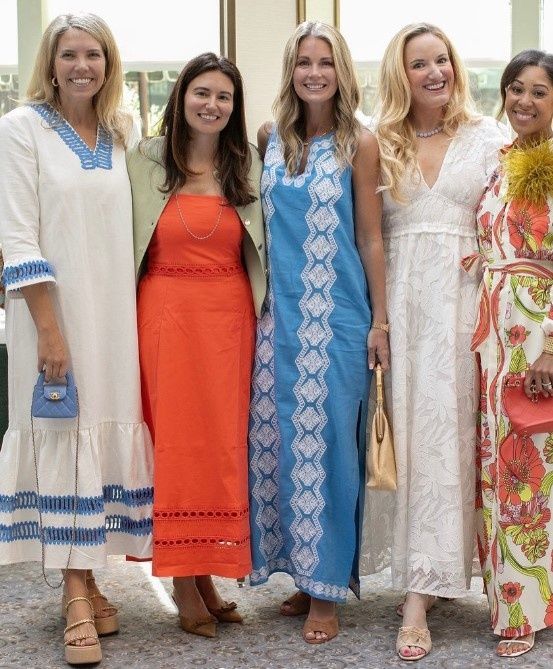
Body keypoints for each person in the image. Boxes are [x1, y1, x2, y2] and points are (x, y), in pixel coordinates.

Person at [0, 13, 153, 666]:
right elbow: (16, 235)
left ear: (109, 63)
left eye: (93, 54)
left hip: (114, 318)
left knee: (100, 433)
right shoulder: (20, 129)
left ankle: (90, 577)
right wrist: (48, 331)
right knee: (64, 436)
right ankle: (73, 596)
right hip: (52, 318)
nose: (81, 66)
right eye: (69, 55)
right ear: (50, 62)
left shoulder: (123, 133)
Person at [248, 21, 389, 645]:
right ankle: (303, 576)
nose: (314, 73)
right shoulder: (269, 138)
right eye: (303, 62)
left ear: (341, 71)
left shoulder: (360, 142)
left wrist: (380, 321)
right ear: (291, 70)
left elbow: (371, 237)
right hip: (278, 321)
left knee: (330, 449)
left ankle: (328, 590)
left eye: (325, 62)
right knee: (280, 446)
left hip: (338, 319)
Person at [373, 22, 508, 660]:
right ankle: (419, 583)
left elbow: (517, 219)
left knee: (457, 440)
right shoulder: (378, 140)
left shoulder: (490, 138)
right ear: (400, 75)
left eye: (442, 60)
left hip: (466, 307)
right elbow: (364, 234)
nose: (435, 73)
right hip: (401, 307)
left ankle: (434, 586)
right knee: (411, 439)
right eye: (420, 64)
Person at [127, 52, 266, 639]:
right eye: (201, 93)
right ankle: (183, 578)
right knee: (178, 444)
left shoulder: (247, 163)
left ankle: (206, 571)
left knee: (221, 446)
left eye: (223, 97)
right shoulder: (144, 161)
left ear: (235, 108)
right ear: (181, 96)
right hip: (166, 317)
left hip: (230, 321)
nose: (212, 105)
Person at [471, 49, 553, 658]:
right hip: (495, 340)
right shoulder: (502, 161)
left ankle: (525, 614)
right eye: (515, 88)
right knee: (500, 471)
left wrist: (551, 346)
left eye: (539, 92)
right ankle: (511, 602)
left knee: (533, 471)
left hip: (537, 337)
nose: (524, 101)